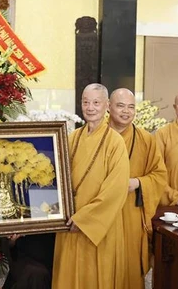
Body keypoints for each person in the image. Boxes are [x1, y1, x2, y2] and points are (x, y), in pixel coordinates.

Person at [52, 83, 130, 289]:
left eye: (96, 103)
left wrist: (85, 218)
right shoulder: (71, 138)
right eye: (86, 102)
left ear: (107, 106)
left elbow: (116, 189)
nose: (90, 107)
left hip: (98, 228)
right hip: (69, 222)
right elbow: (57, 176)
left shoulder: (115, 142)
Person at [108, 88, 167, 289]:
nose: (126, 111)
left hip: (131, 213)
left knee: (129, 268)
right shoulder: (97, 136)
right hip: (101, 213)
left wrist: (138, 183)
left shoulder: (146, 139)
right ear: (109, 106)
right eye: (120, 105)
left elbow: (159, 175)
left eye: (131, 107)